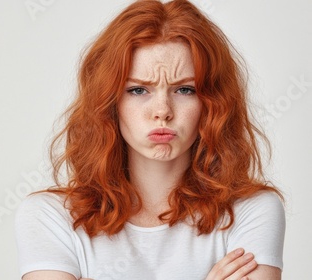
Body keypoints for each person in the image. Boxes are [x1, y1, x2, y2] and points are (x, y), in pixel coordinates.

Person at [15, 0, 285, 279]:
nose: (162, 112)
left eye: (184, 89)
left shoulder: (252, 210)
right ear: (109, 102)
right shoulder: (49, 216)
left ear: (212, 103)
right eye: (138, 90)